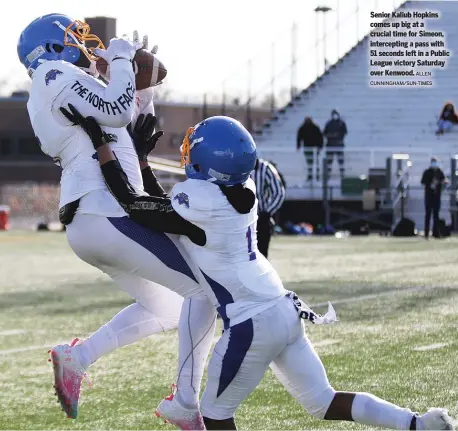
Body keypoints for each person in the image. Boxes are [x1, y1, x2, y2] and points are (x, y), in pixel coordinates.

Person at [66, 107, 455, 431]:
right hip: (283, 310)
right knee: (323, 401)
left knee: (216, 418)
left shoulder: (200, 201)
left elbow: (137, 205)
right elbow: (165, 208)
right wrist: (144, 162)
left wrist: (105, 145)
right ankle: (417, 424)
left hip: (250, 323)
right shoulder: (243, 190)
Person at [17, 15, 216, 426]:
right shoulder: (53, 74)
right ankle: (185, 403)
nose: (86, 43)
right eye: (74, 36)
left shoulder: (63, 87)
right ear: (53, 47)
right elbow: (116, 109)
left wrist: (142, 90)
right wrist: (123, 60)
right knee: (206, 291)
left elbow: (124, 119)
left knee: (170, 308)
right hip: (106, 214)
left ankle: (77, 356)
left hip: (98, 219)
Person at [251, 158, 286, 257]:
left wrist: (267, 213)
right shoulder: (236, 166)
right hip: (240, 219)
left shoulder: (266, 168)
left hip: (261, 220)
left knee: (261, 255)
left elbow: (279, 193)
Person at [421, 158, 448, 239]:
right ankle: (426, 233)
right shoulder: (427, 172)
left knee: (436, 215)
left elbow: (444, 180)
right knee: (428, 215)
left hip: (437, 196)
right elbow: (423, 182)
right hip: (429, 196)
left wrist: (442, 182)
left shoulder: (439, 172)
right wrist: (430, 184)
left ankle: (436, 233)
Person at [296, 117, 324, 182]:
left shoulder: (315, 128)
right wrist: (298, 145)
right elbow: (299, 137)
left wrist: (320, 146)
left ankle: (317, 176)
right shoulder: (302, 128)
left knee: (316, 162)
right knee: (309, 162)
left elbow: (320, 137)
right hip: (307, 147)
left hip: (315, 147)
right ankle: (310, 175)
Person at [323, 109, 347, 180]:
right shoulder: (329, 123)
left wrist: (338, 136)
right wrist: (330, 135)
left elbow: (344, 132)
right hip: (330, 145)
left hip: (338, 144)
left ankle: (342, 174)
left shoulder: (341, 123)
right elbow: (325, 133)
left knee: (340, 161)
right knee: (329, 161)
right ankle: (328, 175)